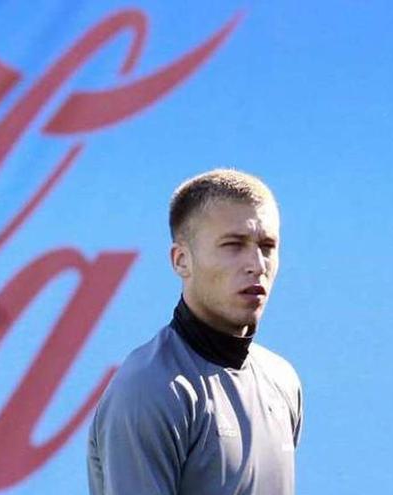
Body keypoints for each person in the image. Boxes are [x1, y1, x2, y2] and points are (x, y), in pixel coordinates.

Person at [87, 169, 303, 494]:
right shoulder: (148, 390)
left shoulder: (282, 380)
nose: (257, 264)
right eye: (233, 245)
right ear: (181, 260)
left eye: (267, 246)